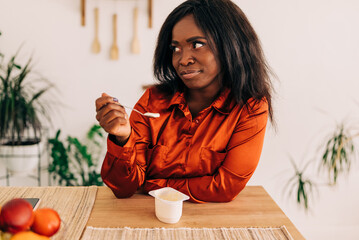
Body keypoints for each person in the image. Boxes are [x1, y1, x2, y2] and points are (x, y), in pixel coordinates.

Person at [95, 0, 274, 203]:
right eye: (175, 48)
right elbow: (123, 188)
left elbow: (225, 187)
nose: (183, 59)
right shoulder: (153, 100)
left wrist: (152, 185)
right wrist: (122, 138)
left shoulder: (250, 108)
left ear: (230, 44)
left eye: (197, 44)